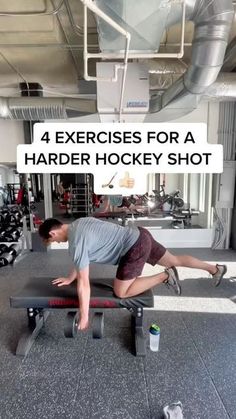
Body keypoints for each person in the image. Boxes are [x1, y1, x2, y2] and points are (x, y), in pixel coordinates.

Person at [38, 217, 227, 331]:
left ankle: (166, 276)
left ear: (53, 233)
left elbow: (84, 284)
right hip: (140, 234)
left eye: (53, 241)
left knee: (121, 292)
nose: (58, 243)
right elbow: (82, 260)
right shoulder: (79, 223)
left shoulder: (76, 243)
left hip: (133, 248)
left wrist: (85, 315)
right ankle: (215, 269)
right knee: (175, 259)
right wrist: (71, 277)